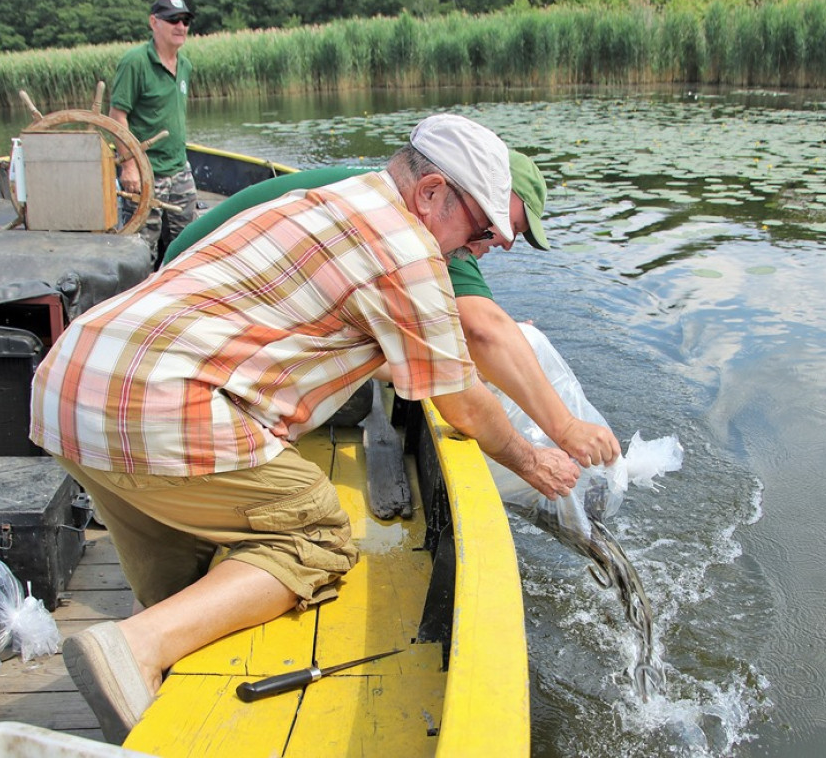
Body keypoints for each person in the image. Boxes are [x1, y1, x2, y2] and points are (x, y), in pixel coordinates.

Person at [29, 114, 581, 744]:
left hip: (69, 387)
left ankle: (151, 682)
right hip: (157, 407)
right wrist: (530, 459)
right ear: (430, 193)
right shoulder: (405, 250)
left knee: (182, 577)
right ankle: (134, 648)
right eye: (483, 230)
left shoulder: (327, 197)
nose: (485, 248)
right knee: (317, 532)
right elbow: (463, 402)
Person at [161, 156, 621, 467]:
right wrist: (565, 430)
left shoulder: (391, 189)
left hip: (186, 296)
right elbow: (482, 330)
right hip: (190, 323)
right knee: (351, 403)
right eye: (510, 224)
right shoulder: (434, 228)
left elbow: (439, 334)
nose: (505, 241)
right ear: (484, 190)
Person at [109, 0, 198, 265]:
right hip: (146, 173)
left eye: (185, 20)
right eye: (173, 20)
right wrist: (130, 166)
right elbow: (116, 117)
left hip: (179, 170)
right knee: (140, 252)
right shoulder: (135, 62)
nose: (180, 26)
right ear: (154, 22)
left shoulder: (185, 66)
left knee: (190, 243)